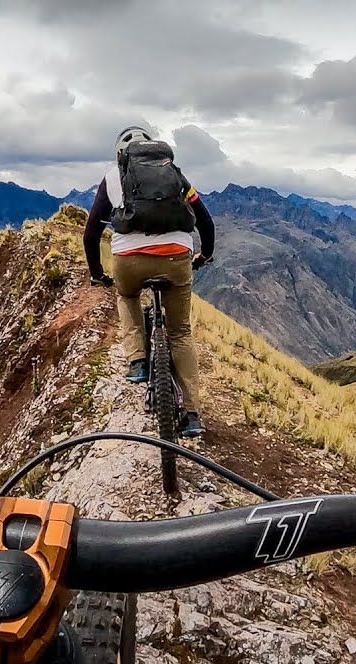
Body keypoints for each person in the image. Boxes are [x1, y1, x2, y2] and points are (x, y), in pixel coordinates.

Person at [81, 125, 215, 438]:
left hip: (128, 260)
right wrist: (204, 256)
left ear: (120, 154)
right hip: (176, 255)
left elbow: (90, 235)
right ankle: (192, 414)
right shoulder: (174, 174)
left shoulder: (112, 177)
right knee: (180, 331)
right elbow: (205, 222)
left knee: (126, 297)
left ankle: (138, 361)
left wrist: (97, 274)